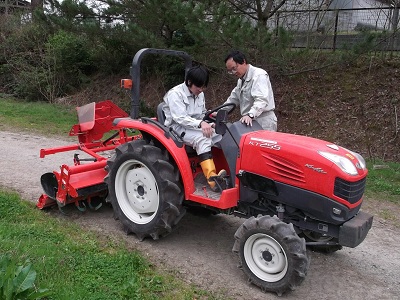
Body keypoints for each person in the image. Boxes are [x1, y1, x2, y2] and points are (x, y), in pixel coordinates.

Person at [162, 65, 226, 191]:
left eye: (203, 87)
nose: (201, 90)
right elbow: (180, 118)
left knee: (221, 133)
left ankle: (226, 171)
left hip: (193, 125)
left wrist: (211, 116)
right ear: (189, 82)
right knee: (203, 137)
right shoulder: (175, 94)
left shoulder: (199, 94)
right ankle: (212, 179)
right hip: (176, 128)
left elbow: (201, 113)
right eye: (198, 86)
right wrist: (201, 124)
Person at [222, 50, 277, 131]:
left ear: (243, 61)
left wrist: (250, 115)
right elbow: (233, 99)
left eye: (234, 68)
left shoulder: (258, 75)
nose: (234, 72)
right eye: (230, 71)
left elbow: (261, 100)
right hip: (250, 122)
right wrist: (219, 112)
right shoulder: (241, 80)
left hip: (263, 121)